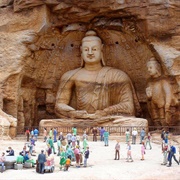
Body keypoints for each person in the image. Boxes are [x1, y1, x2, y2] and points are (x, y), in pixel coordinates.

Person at [55, 30, 141, 121]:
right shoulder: (70, 76)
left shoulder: (118, 76)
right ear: (81, 51)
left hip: (108, 120)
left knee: (138, 123)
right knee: (45, 123)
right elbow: (59, 106)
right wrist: (73, 113)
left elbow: (129, 108)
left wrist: (105, 112)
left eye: (94, 49)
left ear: (102, 50)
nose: (90, 53)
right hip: (80, 120)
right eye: (86, 49)